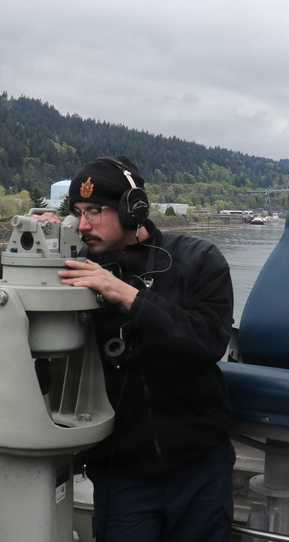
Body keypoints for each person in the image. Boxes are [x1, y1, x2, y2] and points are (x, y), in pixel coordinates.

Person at [55, 156, 236, 542]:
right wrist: (28, 244)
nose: (83, 225)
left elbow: (208, 342)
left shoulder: (199, 260)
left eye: (96, 211)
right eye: (77, 213)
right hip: (121, 473)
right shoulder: (75, 267)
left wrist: (128, 297)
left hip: (198, 465)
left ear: (131, 209)